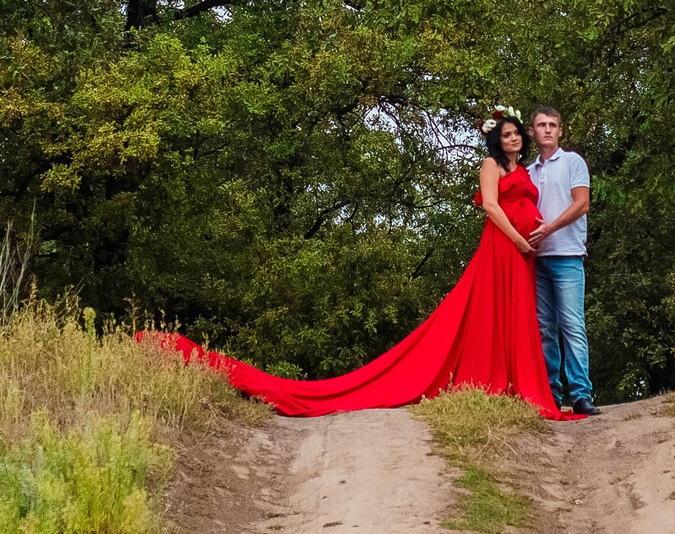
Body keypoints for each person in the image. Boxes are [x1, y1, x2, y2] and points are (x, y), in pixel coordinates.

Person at [142, 109, 572, 419]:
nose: (514, 138)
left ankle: (520, 384)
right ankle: (491, 377)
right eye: (508, 134)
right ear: (496, 138)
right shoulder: (490, 165)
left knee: (522, 318)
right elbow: (492, 209)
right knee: (485, 314)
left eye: (519, 134)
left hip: (523, 256)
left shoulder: (529, 169)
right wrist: (518, 239)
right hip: (502, 249)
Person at [526, 107, 596, 415]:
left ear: (561, 130)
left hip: (567, 255)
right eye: (542, 125)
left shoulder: (572, 162)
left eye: (553, 125)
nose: (548, 130)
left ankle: (581, 394)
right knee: (545, 330)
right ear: (532, 132)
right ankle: (551, 394)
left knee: (572, 326)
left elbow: (582, 204)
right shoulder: (528, 171)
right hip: (538, 259)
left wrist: (550, 228)